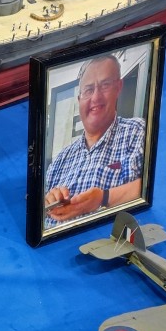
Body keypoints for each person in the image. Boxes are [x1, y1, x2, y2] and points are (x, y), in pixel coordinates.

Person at [44, 54, 145, 226]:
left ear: (118, 87)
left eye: (105, 85)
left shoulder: (137, 131)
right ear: (79, 100)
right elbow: (42, 211)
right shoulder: (60, 160)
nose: (96, 98)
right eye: (89, 90)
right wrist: (50, 201)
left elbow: (155, 185)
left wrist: (103, 198)